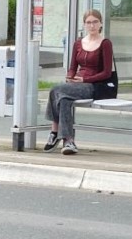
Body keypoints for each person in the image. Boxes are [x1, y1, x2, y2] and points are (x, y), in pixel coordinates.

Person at [43, 9, 114, 156]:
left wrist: (85, 79)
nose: (92, 26)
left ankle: (54, 132)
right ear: (84, 25)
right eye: (88, 22)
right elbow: (72, 68)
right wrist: (70, 77)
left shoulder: (105, 43)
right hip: (76, 84)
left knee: (56, 90)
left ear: (101, 23)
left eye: (95, 22)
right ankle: (69, 141)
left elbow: (106, 72)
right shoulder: (78, 44)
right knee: (63, 99)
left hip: (93, 85)